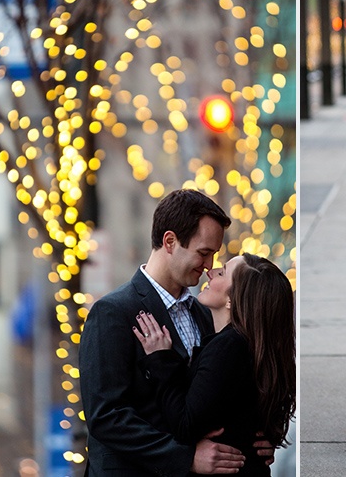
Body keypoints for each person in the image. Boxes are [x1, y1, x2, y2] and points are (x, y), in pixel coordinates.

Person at [80, 189, 274, 475]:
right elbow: (107, 416)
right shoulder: (113, 312)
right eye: (204, 253)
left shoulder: (206, 314)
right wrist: (184, 458)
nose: (209, 266)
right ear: (170, 241)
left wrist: (254, 438)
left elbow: (212, 399)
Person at [132, 253, 296, 476]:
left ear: (233, 298)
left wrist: (161, 359)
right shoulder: (248, 345)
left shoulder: (229, 347)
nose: (210, 271)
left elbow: (184, 424)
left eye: (222, 272)